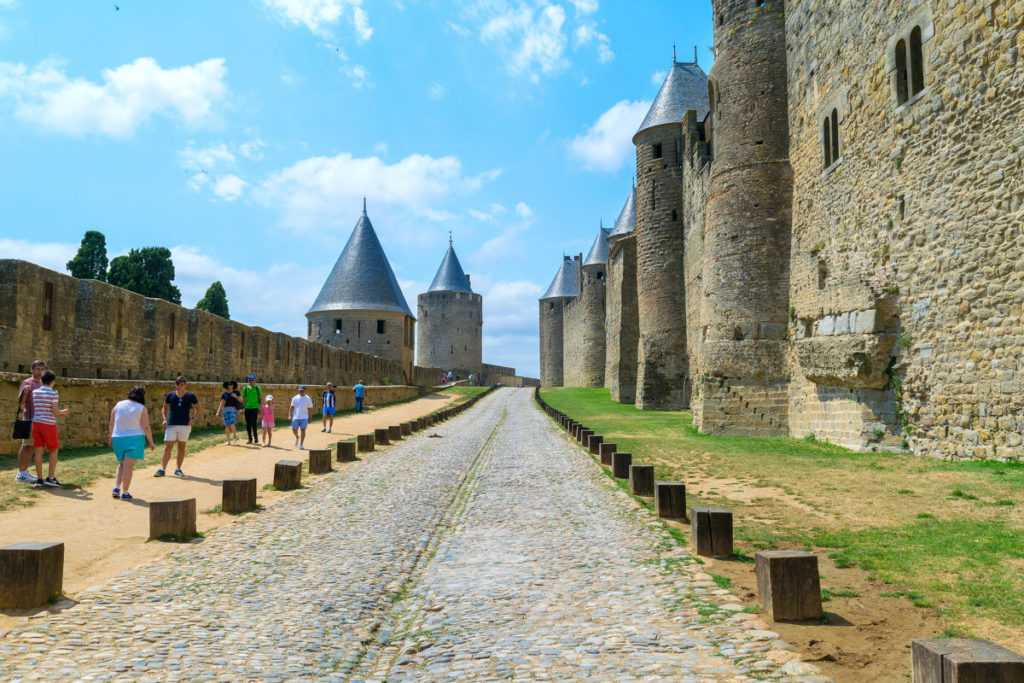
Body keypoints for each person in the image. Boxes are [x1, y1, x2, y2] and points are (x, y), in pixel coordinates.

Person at [107, 385, 155, 500]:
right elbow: (146, 427)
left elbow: (111, 423)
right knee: (128, 467)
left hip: (117, 438)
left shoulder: (118, 404)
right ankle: (125, 492)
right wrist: (151, 442)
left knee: (122, 464)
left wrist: (110, 437)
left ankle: (116, 488)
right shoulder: (141, 408)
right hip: (135, 439)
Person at [31, 370, 70, 488]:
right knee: (53, 450)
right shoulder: (54, 393)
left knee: (38, 451)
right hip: (48, 424)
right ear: (52, 381)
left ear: (41, 380)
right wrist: (63, 412)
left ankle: (39, 479)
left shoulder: (35, 392)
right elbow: (55, 411)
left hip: (36, 423)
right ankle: (51, 477)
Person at [158, 376, 198, 478]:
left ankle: (178, 469)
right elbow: (164, 408)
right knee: (168, 447)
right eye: (180, 384)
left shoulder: (191, 396)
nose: (182, 386)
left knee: (181, 447)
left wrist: (192, 419)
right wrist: (164, 419)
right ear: (176, 385)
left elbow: (197, 408)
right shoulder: (170, 395)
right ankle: (162, 469)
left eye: (184, 384)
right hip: (171, 424)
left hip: (185, 425)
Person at [15, 359, 47, 484]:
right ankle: (21, 473)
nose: (40, 371)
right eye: (37, 369)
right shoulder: (27, 382)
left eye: (42, 369)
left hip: (40, 419)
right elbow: (21, 404)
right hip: (29, 418)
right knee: (27, 445)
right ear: (32, 370)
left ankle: (24, 472)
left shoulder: (43, 384)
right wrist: (25, 394)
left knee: (33, 446)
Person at [216, 381, 243, 445]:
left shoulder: (236, 392)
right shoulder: (224, 394)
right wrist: (218, 411)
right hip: (225, 410)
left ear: (233, 385)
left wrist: (235, 396)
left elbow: (241, 400)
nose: (230, 385)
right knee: (227, 425)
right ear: (227, 386)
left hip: (233, 409)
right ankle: (228, 441)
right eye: (229, 384)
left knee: (232, 423)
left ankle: (234, 436)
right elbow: (221, 403)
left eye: (231, 384)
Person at [241, 375, 263, 445]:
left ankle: (256, 438)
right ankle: (250, 439)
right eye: (249, 380)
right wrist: (243, 407)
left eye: (252, 380)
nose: (251, 381)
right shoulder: (245, 388)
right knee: (248, 424)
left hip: (255, 408)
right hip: (247, 408)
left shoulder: (257, 388)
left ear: (255, 380)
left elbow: (260, 398)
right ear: (248, 381)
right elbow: (243, 398)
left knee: (253, 423)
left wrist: (260, 407)